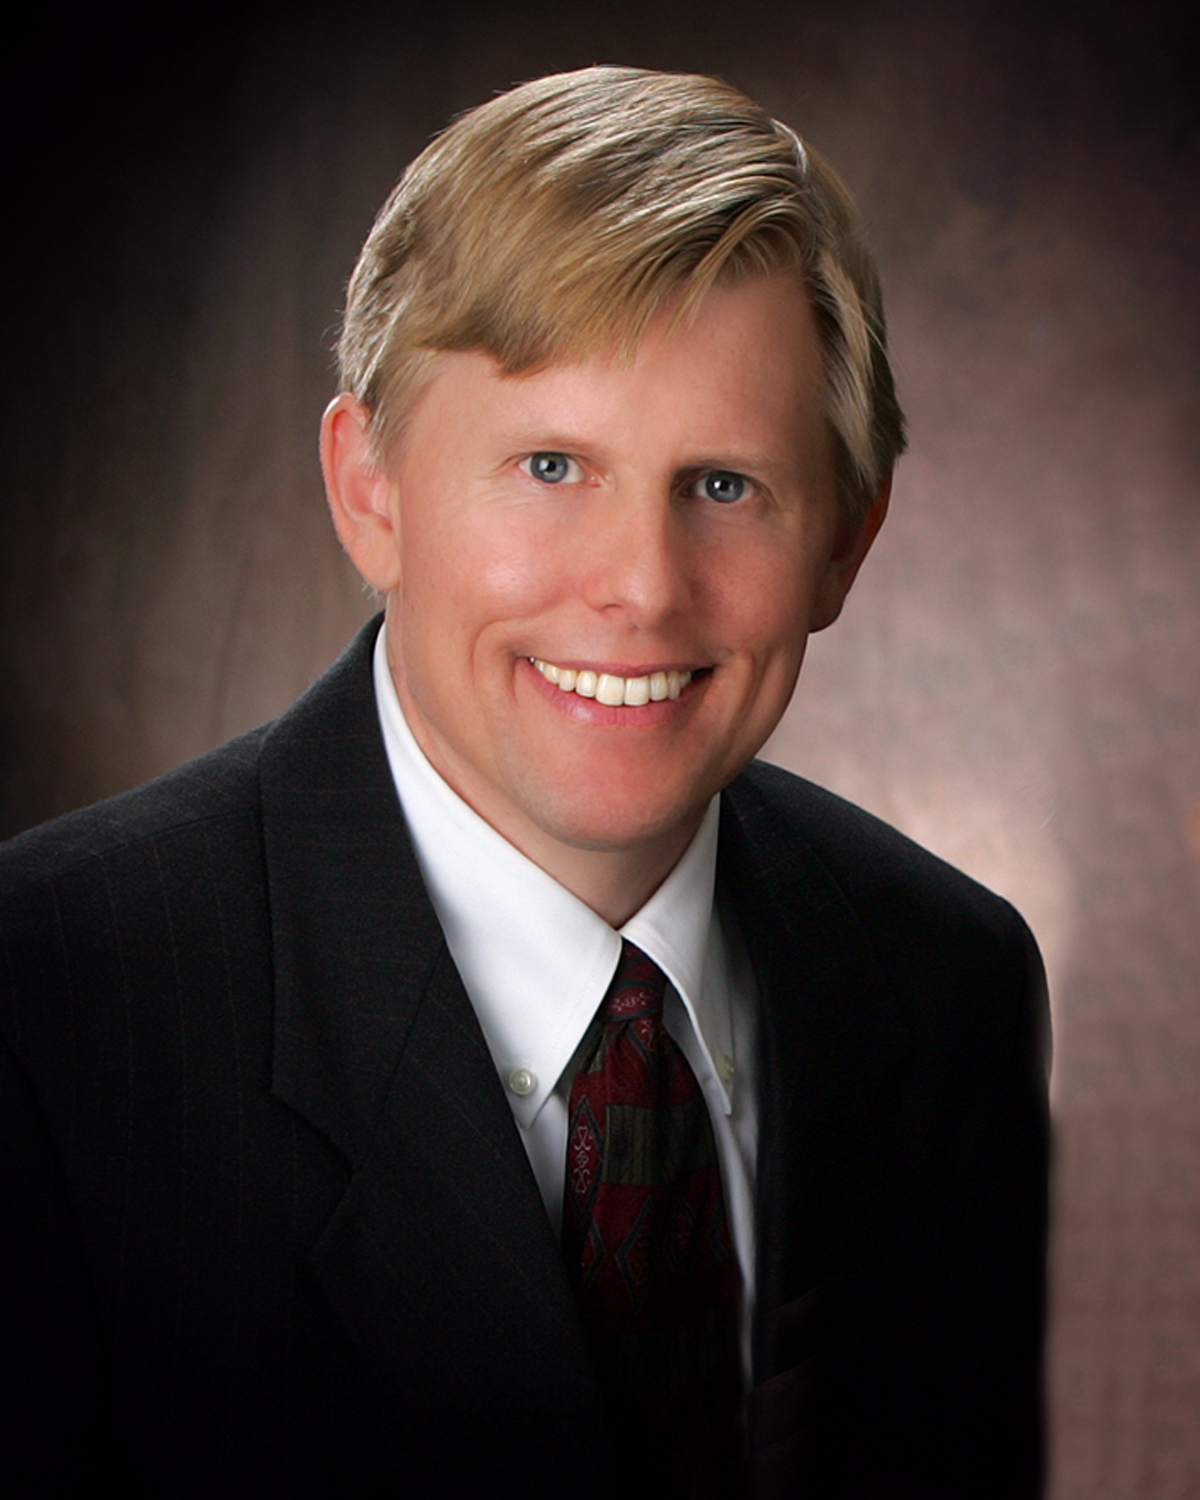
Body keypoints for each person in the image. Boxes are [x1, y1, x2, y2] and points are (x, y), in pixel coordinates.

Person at [0, 66, 1048, 1498]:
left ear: (845, 545)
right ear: (369, 490)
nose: (641, 587)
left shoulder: (950, 984)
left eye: (725, 486)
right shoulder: (51, 1012)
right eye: (553, 465)